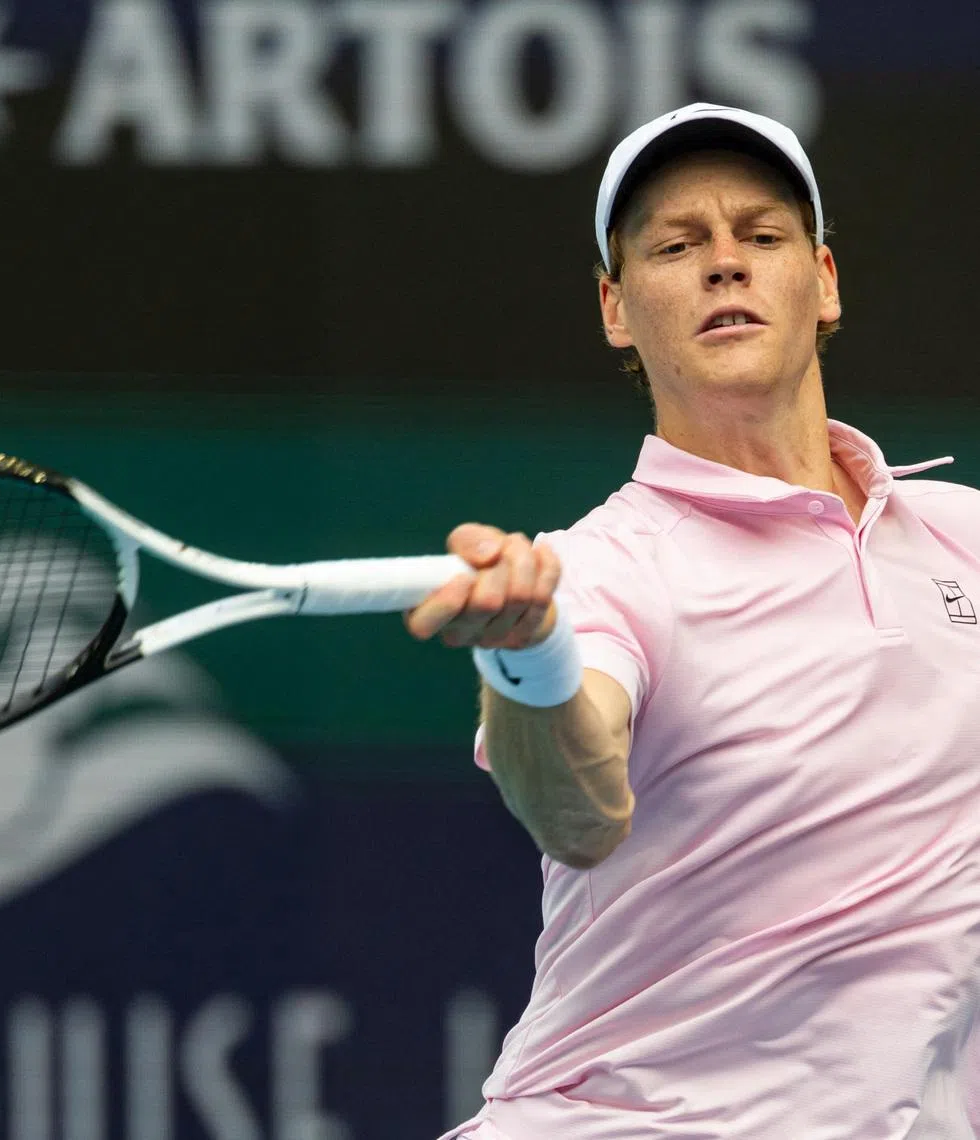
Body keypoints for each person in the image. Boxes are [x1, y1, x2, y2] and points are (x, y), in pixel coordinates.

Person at [409, 103, 980, 1139]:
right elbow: (577, 817)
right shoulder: (607, 569)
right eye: (676, 246)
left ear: (825, 282)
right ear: (616, 307)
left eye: (761, 236)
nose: (725, 264)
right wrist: (529, 654)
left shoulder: (962, 540)